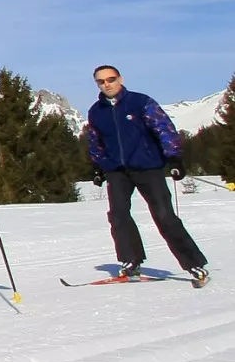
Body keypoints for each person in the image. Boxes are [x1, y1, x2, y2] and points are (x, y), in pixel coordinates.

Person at [85, 65, 209, 284]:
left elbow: (164, 129)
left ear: (120, 79)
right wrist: (98, 166)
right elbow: (95, 142)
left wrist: (174, 158)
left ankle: (194, 263)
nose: (107, 84)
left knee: (164, 216)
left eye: (111, 79)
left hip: (147, 167)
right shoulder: (96, 111)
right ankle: (130, 262)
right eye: (101, 81)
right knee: (118, 216)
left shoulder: (140, 102)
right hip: (117, 171)